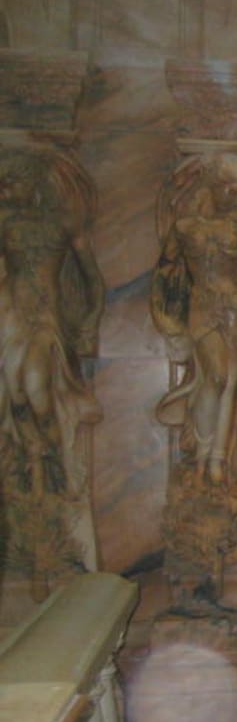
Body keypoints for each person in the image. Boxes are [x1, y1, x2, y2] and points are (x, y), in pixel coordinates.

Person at [151, 151, 237, 513]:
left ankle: (218, 461)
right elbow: (165, 271)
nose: (235, 197)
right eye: (231, 189)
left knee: (234, 380)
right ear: (212, 187)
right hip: (203, 306)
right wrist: (166, 317)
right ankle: (204, 452)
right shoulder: (183, 227)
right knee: (216, 376)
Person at [0, 142, 106, 510]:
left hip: (46, 322)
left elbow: (92, 279)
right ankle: (36, 472)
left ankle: (57, 459)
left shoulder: (63, 222)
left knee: (38, 394)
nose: (7, 191)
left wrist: (91, 319)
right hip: (11, 319)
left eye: (13, 183)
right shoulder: (6, 222)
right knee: (15, 396)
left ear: (34, 182)